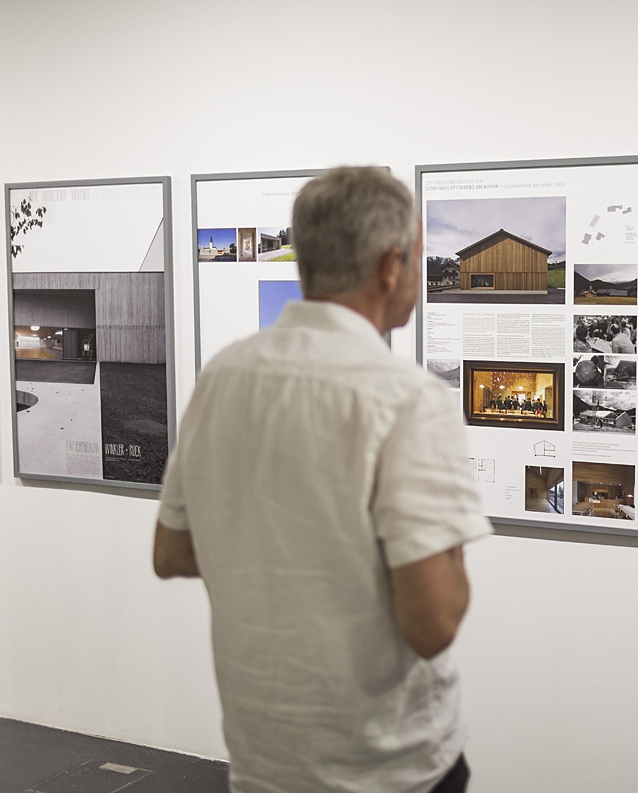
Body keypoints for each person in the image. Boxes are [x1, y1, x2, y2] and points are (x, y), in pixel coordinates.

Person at [153, 167, 491, 793]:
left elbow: (172, 552)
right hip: (390, 768)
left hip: (263, 760)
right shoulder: (407, 398)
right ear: (390, 266)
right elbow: (433, 622)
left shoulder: (223, 376)